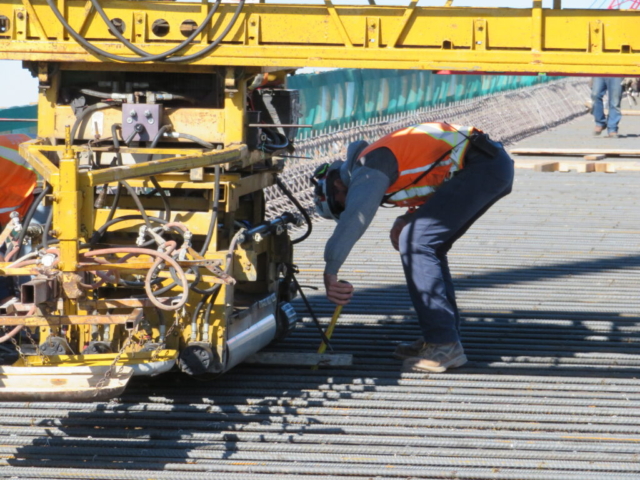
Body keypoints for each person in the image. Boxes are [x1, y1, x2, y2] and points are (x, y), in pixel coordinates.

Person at [312, 122, 514, 373]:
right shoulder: (377, 159)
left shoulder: (367, 166)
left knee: (417, 241)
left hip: (481, 166)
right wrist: (409, 216)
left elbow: (356, 216)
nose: (347, 205)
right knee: (424, 242)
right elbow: (433, 173)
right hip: (486, 164)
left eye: (340, 205)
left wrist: (331, 270)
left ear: (337, 186)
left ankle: (444, 343)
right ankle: (439, 337)